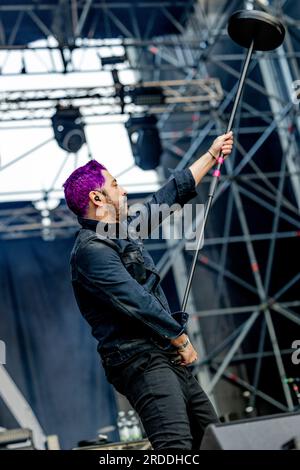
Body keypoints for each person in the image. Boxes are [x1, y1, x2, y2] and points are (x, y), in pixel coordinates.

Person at [63, 131, 234, 449]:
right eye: (115, 185)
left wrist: (211, 155)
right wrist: (180, 337)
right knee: (175, 447)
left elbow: (165, 199)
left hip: (164, 355)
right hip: (141, 361)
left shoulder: (119, 232)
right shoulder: (92, 250)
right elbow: (135, 300)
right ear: (97, 199)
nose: (124, 190)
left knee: (214, 440)